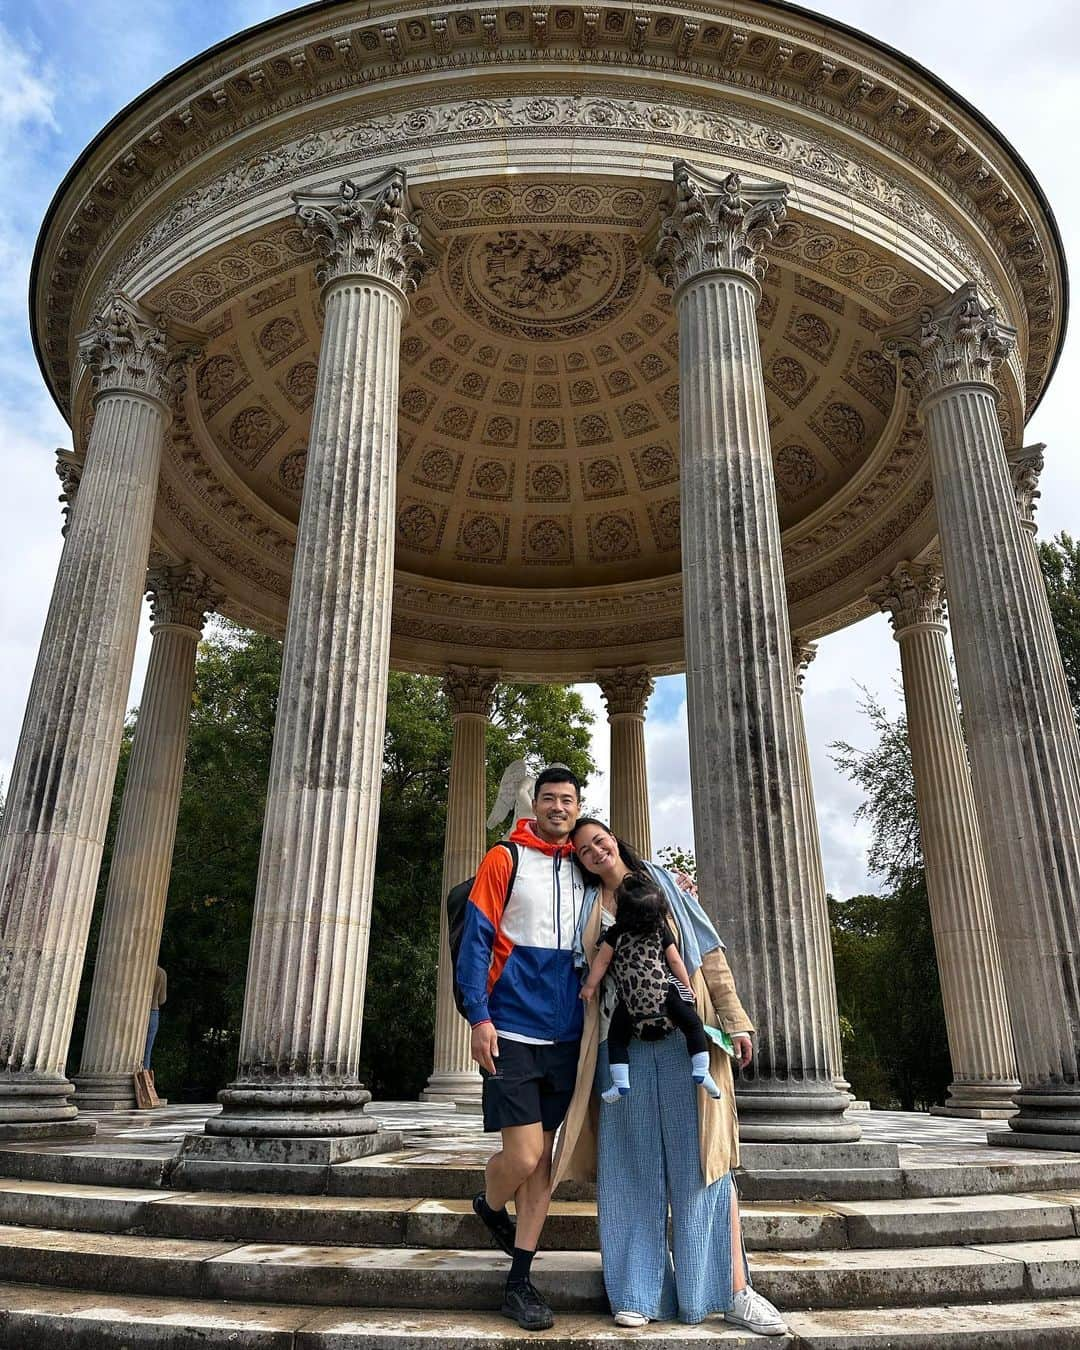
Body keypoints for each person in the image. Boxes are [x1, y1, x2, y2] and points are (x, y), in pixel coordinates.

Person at [552, 818, 788, 1337]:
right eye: (584, 848)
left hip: (687, 1042)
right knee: (630, 1168)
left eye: (600, 840)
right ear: (579, 860)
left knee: (705, 1166)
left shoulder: (664, 885)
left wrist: (735, 1018)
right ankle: (636, 1292)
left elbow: (708, 954)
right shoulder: (585, 906)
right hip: (623, 1049)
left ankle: (730, 1292)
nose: (595, 851)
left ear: (614, 839)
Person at [456, 765, 586, 1331]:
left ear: (579, 807)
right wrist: (478, 1016)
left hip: (568, 1037)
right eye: (550, 798)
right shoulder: (504, 858)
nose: (559, 807)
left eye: (569, 800)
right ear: (533, 804)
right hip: (510, 1028)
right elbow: (477, 939)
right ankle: (487, 1203)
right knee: (525, 1156)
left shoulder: (585, 865)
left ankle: (520, 1282)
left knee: (544, 1165)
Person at [579, 870, 721, 1102]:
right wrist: (687, 988)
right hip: (665, 997)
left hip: (630, 1004)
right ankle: (701, 1069)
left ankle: (620, 1083)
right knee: (693, 1025)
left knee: (616, 1039)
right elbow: (675, 961)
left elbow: (602, 962)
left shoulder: (616, 933)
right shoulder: (660, 930)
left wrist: (589, 986)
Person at [143, 965, 167, 1072]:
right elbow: (162, 1000)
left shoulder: (143, 970)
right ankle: (144, 1079)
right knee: (146, 1053)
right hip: (153, 1011)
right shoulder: (161, 973)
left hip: (139, 1011)